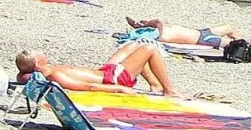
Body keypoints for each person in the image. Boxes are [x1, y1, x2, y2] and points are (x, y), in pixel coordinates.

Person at [15, 42, 178, 97]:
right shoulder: (54, 75)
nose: (43, 52)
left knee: (134, 46)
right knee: (149, 49)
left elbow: (21, 76)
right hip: (113, 79)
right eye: (39, 54)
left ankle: (155, 85)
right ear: (37, 63)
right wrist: (120, 89)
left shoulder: (49, 70)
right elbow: (88, 87)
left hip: (105, 72)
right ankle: (169, 90)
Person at [125, 17, 242, 49]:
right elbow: (158, 21)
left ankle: (242, 41)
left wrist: (146, 24)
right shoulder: (162, 36)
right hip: (204, 39)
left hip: (202, 32)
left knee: (230, 27)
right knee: (235, 44)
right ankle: (244, 47)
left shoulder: (163, 30)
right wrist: (147, 24)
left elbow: (158, 23)